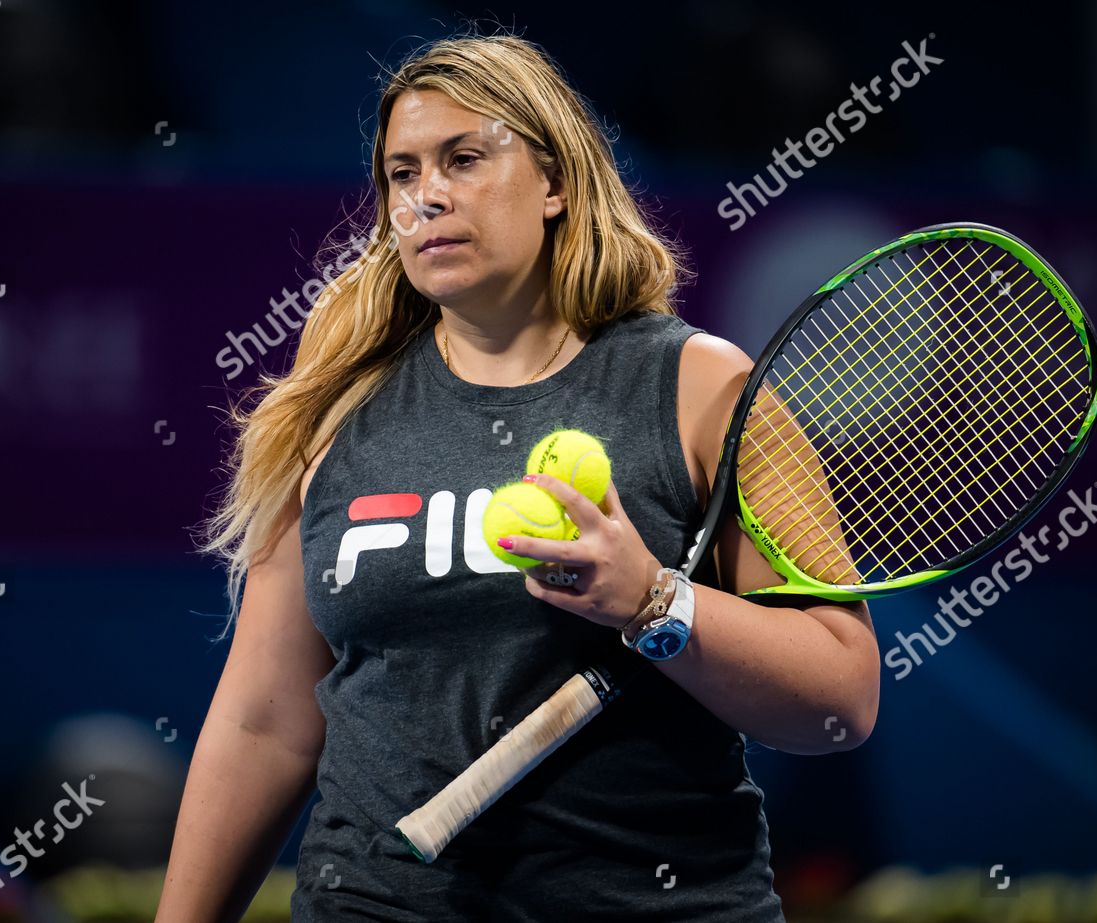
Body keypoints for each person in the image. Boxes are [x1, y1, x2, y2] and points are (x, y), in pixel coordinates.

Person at [156, 31, 879, 923]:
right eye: (403, 174)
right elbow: (264, 720)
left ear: (555, 183)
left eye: (464, 158)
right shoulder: (335, 413)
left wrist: (654, 602)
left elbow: (841, 697)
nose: (427, 196)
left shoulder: (705, 387)